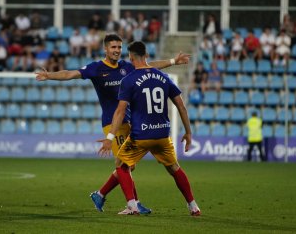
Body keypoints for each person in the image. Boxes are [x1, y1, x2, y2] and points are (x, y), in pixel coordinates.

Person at [35, 33, 190, 214]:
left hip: (130, 121)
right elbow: (70, 73)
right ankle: (131, 204)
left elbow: (148, 66)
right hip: (112, 123)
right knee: (125, 165)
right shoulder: (96, 68)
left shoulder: (126, 66)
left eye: (119, 47)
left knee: (126, 165)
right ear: (105, 49)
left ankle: (102, 195)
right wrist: (49, 76)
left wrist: (172, 61)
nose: (117, 50)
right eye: (113, 47)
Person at [98, 41, 200, 216]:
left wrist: (109, 137)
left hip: (140, 136)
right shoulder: (164, 77)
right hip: (162, 135)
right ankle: (193, 206)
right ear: (147, 56)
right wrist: (188, 132)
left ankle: (132, 205)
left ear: (130, 58)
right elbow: (181, 107)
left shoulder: (128, 80)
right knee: (175, 168)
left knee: (121, 165)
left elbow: (120, 111)